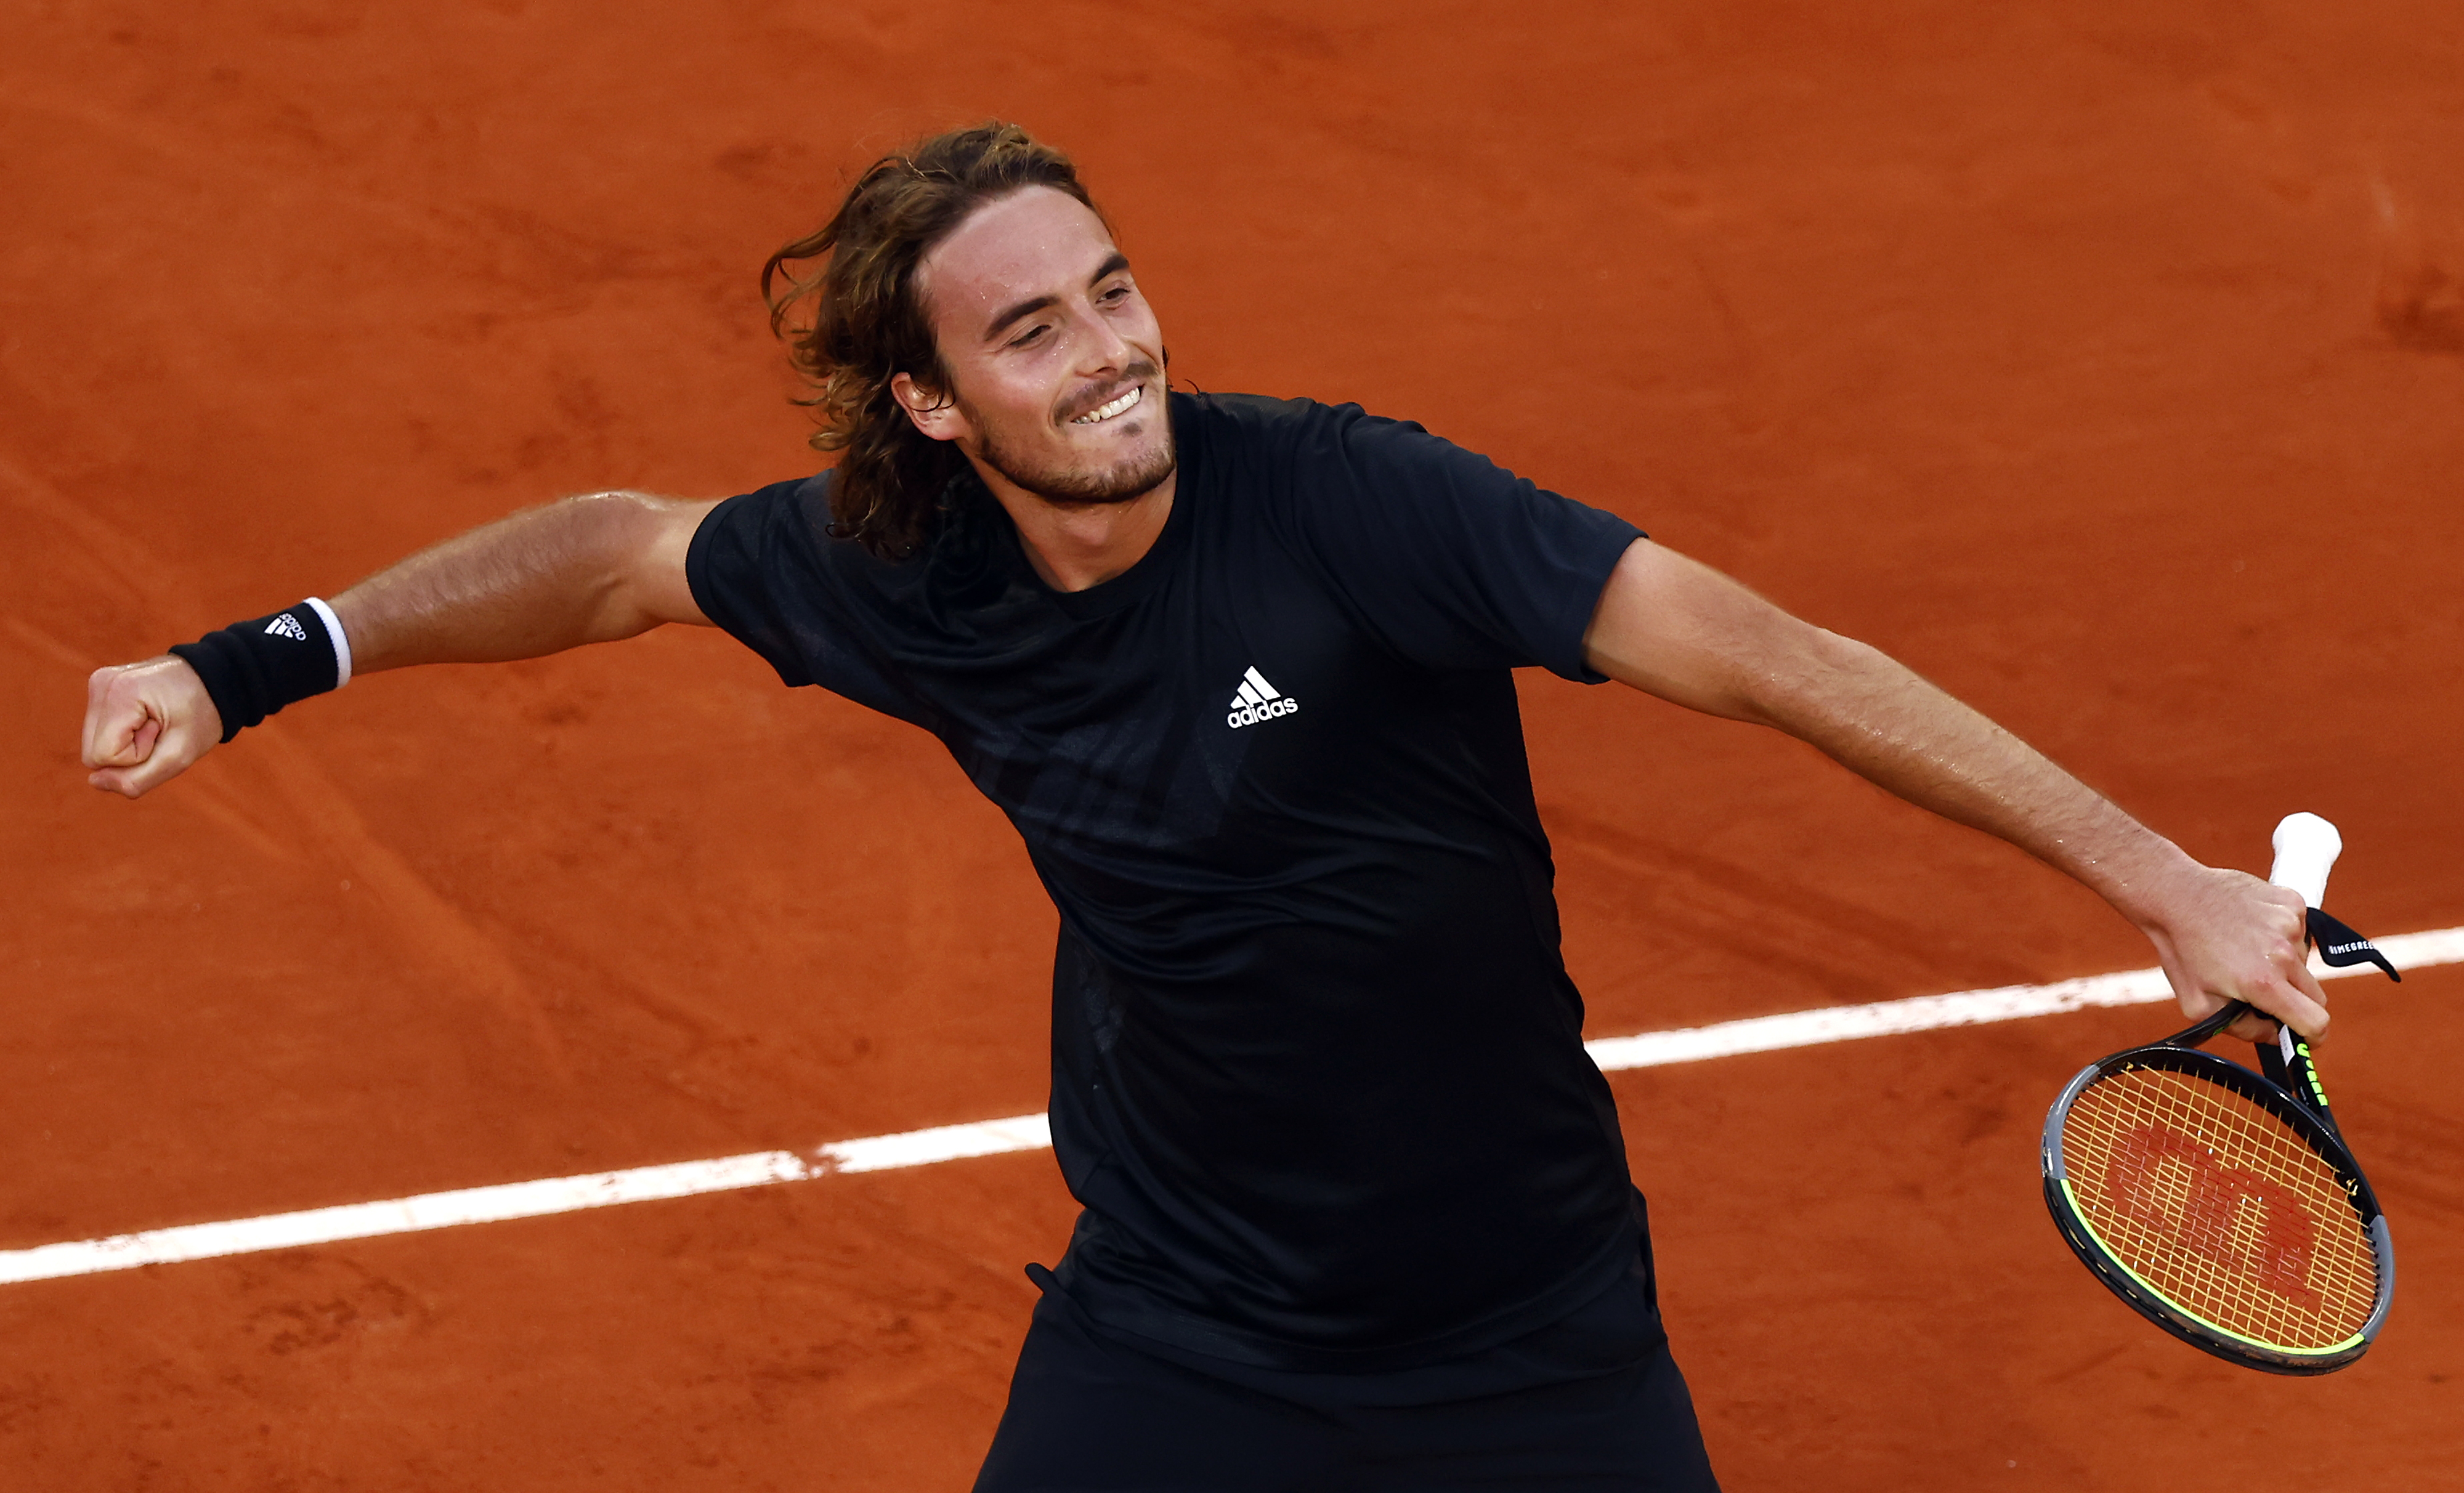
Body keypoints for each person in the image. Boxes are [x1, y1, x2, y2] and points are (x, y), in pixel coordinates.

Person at [79, 123, 2330, 1491]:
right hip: (1184, 1325)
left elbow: (1772, 660)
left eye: (1116, 292)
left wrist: (2158, 879)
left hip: (1523, 1328)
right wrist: (259, 662)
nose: (1111, 350)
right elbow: (620, 551)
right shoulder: (903, 570)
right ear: (935, 405)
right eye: (1034, 333)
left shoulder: (1358, 503)